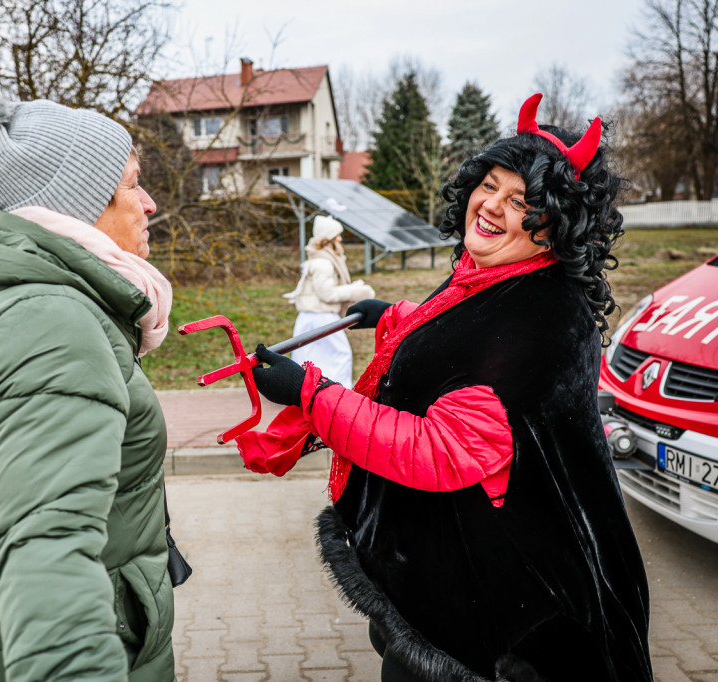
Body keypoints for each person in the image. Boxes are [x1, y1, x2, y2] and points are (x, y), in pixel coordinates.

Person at [235, 93, 652, 681]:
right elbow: (465, 347)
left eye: (521, 201)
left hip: (499, 616)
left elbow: (441, 449)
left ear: (557, 224)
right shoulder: (496, 274)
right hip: (440, 569)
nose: (491, 205)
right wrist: (395, 316)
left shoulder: (544, 319)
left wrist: (312, 394)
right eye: (491, 184)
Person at [0, 76, 175, 680]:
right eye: (132, 184)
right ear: (79, 204)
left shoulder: (7, 297)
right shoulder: (49, 323)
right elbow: (47, 556)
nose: (150, 202)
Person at [282, 215, 374, 386]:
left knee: (310, 357)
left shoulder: (323, 260)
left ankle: (314, 390)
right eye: (337, 235)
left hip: (315, 317)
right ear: (329, 239)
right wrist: (356, 292)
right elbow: (327, 294)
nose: (340, 239)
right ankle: (338, 392)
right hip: (320, 318)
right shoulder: (323, 263)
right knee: (340, 354)